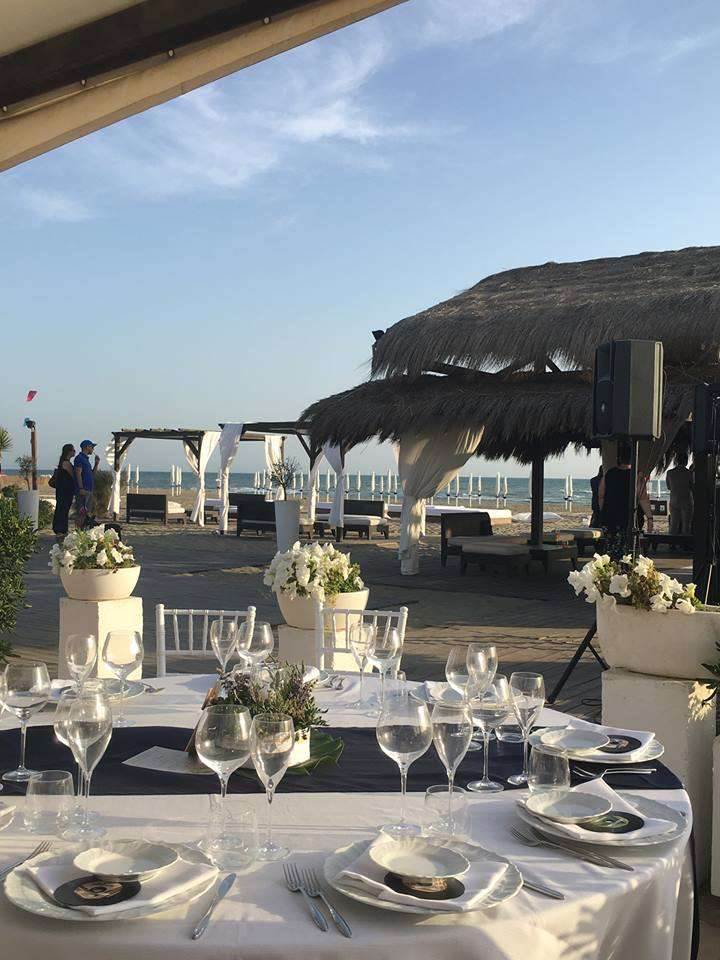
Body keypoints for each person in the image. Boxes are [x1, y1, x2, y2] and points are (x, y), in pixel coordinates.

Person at [599, 443, 653, 557]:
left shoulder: (609, 474)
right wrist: (649, 518)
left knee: (610, 549)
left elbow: (601, 496)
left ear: (618, 458)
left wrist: (602, 511)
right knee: (629, 550)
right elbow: (643, 498)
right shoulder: (637, 475)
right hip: (630, 518)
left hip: (610, 517)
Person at [51, 443, 76, 542]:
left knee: (61, 508)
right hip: (65, 490)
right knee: (63, 509)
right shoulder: (66, 463)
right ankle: (60, 529)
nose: (74, 452)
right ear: (69, 451)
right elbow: (72, 476)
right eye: (73, 450)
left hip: (62, 490)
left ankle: (60, 528)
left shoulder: (63, 462)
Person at [666, 453, 694, 536]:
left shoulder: (669, 473)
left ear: (676, 461)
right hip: (686, 500)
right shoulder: (689, 473)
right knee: (686, 525)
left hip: (674, 500)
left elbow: (668, 487)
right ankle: (685, 542)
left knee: (673, 524)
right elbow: (692, 486)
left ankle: (672, 542)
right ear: (686, 461)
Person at [74, 440, 100, 528]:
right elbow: (78, 474)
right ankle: (78, 531)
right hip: (83, 490)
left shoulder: (86, 460)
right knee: (81, 512)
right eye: (92, 447)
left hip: (88, 490)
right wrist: (81, 488)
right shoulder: (79, 458)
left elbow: (92, 474)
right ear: (87, 447)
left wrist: (96, 464)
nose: (93, 449)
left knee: (86, 513)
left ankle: (82, 531)